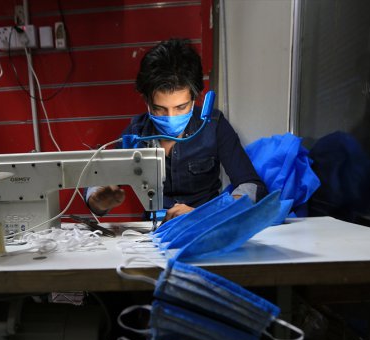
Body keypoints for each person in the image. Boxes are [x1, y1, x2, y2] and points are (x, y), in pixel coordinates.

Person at [86, 38, 267, 222]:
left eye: (181, 107)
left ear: (195, 98)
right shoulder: (136, 133)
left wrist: (208, 213)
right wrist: (99, 200)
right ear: (147, 101)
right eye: (160, 109)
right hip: (154, 230)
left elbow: (252, 186)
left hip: (204, 226)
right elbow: (98, 191)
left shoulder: (214, 125)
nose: (171, 117)